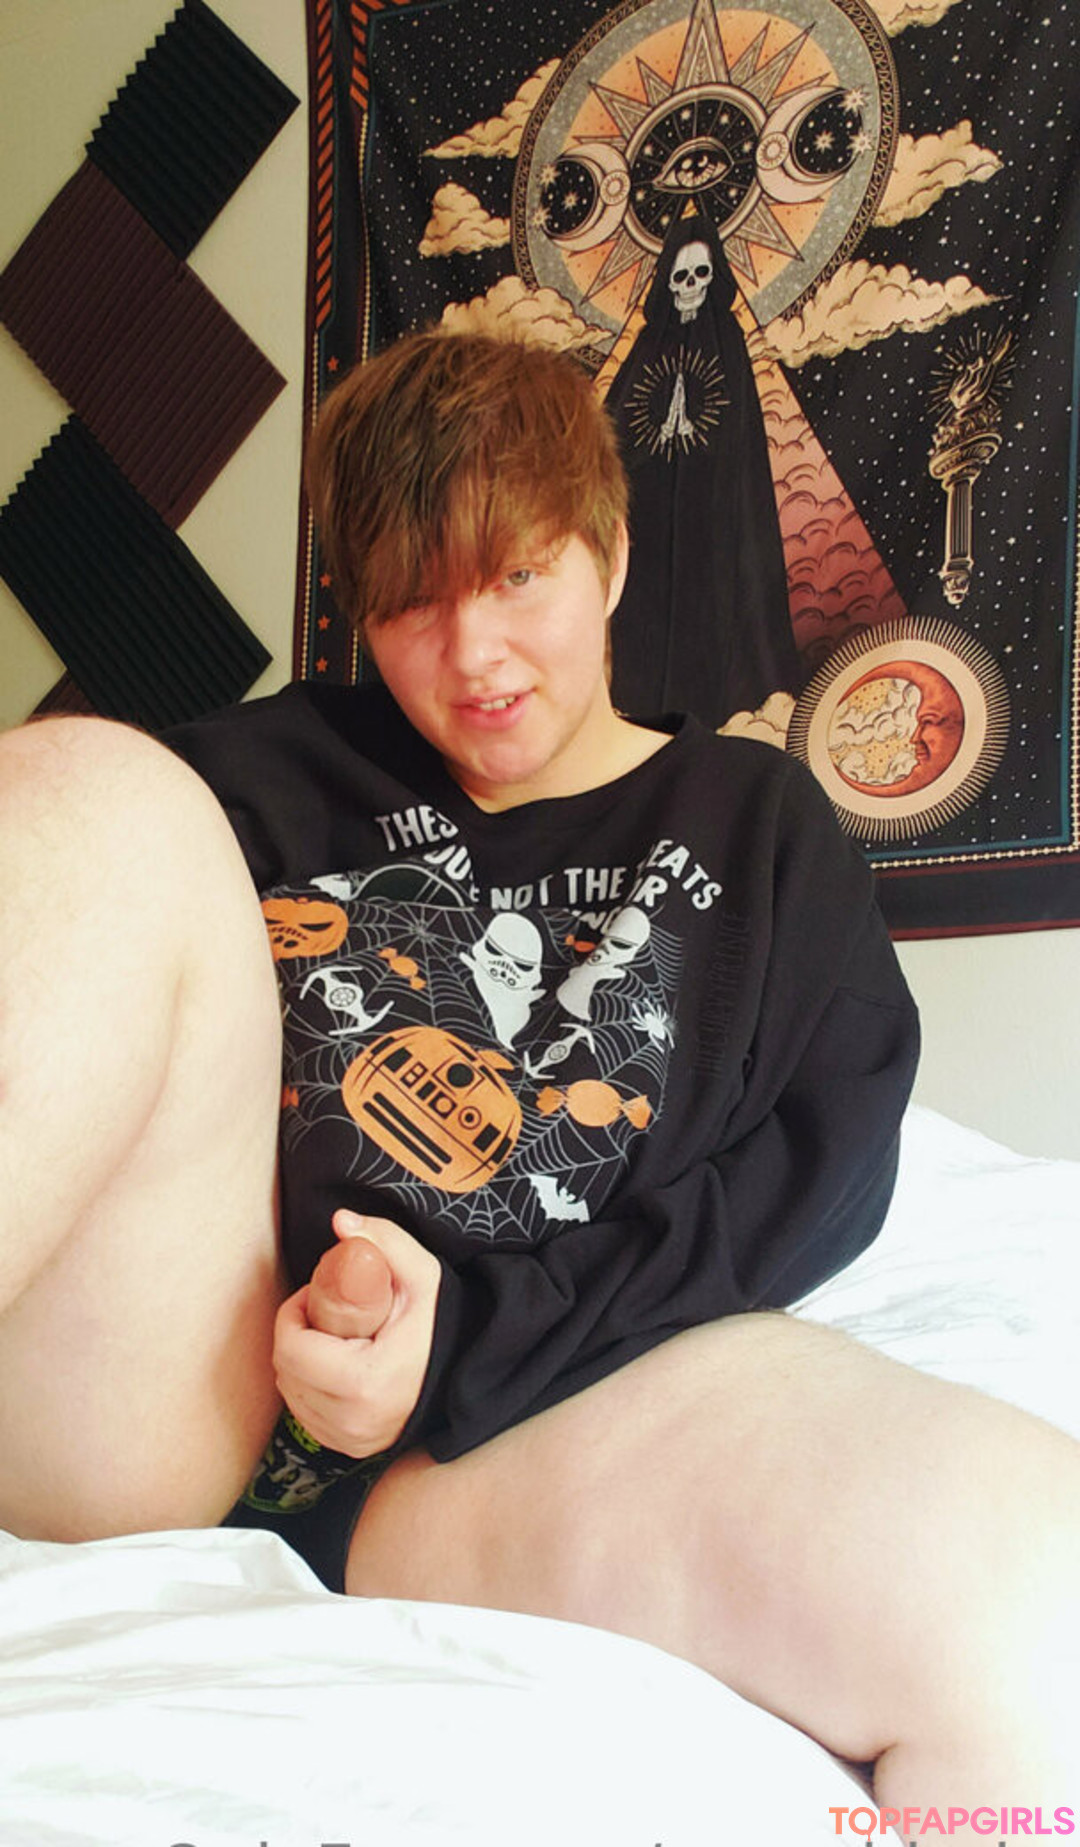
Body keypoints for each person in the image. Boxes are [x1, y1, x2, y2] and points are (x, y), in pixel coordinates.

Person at [0, 331, 1076, 1830]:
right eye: (412, 602)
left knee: (1033, 1591)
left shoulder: (761, 830)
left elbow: (810, 1186)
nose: (475, 656)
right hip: (182, 1380)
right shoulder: (265, 775)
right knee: (74, 784)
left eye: (517, 576)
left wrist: (458, 1339)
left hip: (496, 1439)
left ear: (610, 553)